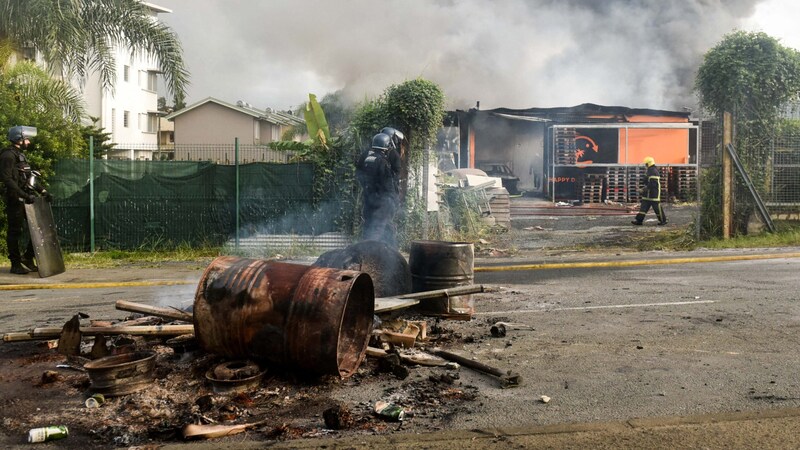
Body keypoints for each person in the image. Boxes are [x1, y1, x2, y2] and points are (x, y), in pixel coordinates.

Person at [0, 126, 51, 274]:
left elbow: (29, 177)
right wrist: (23, 194)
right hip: (15, 199)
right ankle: (15, 264)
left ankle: (28, 257)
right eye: (26, 139)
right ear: (19, 139)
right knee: (14, 232)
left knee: (38, 229)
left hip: (26, 198)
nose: (28, 142)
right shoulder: (7, 156)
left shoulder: (20, 156)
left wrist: (43, 191)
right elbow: (7, 179)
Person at [356, 132, 400, 245]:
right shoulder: (382, 161)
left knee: (379, 226)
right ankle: (368, 252)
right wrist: (393, 198)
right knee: (377, 228)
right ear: (385, 146)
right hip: (383, 200)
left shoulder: (367, 158)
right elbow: (387, 183)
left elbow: (360, 176)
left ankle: (392, 251)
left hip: (369, 199)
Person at [631, 155, 667, 226]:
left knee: (657, 208)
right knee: (643, 207)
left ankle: (663, 220)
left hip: (653, 194)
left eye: (646, 164)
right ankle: (639, 220)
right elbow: (647, 181)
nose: (645, 165)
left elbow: (652, 183)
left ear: (649, 163)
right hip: (647, 193)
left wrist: (643, 189)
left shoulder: (653, 171)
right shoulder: (650, 170)